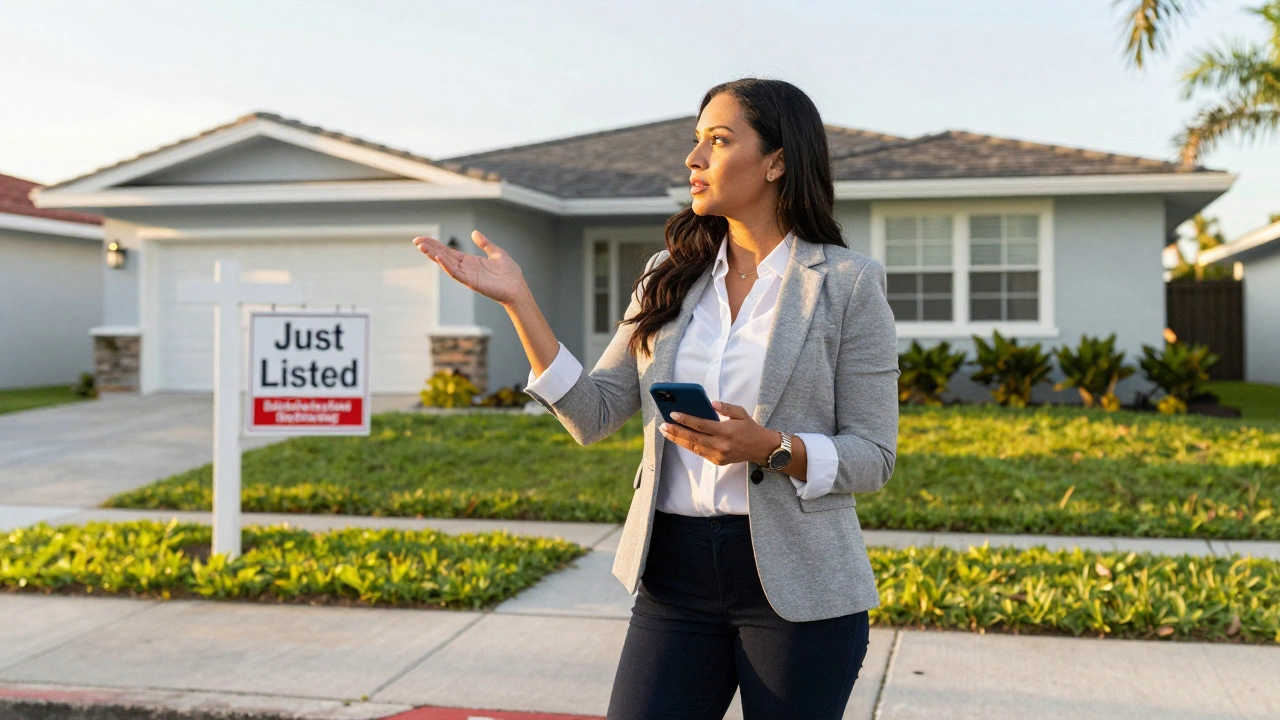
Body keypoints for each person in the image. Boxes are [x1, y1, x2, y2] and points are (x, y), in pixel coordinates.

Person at [413, 77, 900, 720]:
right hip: (674, 579)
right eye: (695, 142)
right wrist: (518, 302)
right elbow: (593, 412)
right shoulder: (667, 274)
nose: (693, 159)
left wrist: (772, 447)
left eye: (718, 141)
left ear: (778, 161)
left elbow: (873, 456)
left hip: (800, 590)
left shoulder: (846, 284)